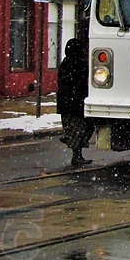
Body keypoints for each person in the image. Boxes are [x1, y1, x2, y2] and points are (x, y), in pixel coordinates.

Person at [57, 38, 94, 166]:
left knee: (76, 129)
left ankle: (71, 142)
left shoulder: (65, 64)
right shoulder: (78, 65)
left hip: (67, 103)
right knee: (82, 128)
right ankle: (76, 154)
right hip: (75, 103)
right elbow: (82, 83)